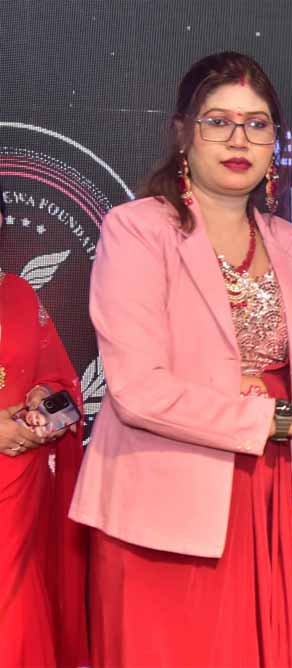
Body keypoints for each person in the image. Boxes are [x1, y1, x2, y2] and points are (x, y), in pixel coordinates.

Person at [69, 52, 292, 667]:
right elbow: (137, 390)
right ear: (183, 132)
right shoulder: (137, 230)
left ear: (275, 140)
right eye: (218, 121)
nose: (238, 140)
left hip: (269, 502)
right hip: (164, 508)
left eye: (257, 124)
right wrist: (282, 417)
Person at [0, 201, 88, 668]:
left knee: (19, 609)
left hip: (20, 484)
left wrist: (41, 401)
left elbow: (59, 381)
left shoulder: (16, 292)